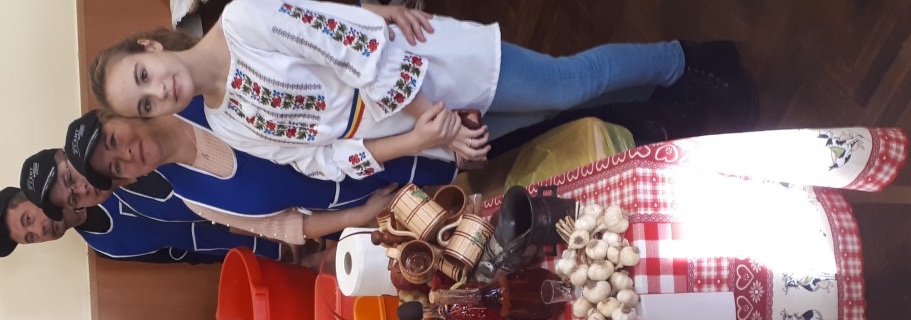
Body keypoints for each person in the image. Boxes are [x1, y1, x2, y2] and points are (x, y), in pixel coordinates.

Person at [90, 0, 751, 180]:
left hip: (427, 73)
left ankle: (689, 62)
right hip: (420, 130)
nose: (160, 92)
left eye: (143, 77)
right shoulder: (226, 122)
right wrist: (420, 140)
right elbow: (319, 162)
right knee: (560, 113)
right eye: (145, 104)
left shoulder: (241, 20)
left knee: (571, 80)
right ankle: (679, 98)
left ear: (150, 47)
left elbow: (352, 47)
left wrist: (436, 118)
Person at [64, 101, 456, 245]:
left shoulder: (198, 96)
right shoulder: (194, 200)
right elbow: (287, 227)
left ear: (119, 114)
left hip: (389, 124)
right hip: (395, 201)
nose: (126, 154)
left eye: (113, 140)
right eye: (115, 167)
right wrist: (359, 215)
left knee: (475, 131)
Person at [0, 185, 274, 262]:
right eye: (30, 237)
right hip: (266, 251)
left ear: (33, 196)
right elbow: (186, 255)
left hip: (265, 203)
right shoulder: (106, 249)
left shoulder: (106, 177)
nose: (40, 230)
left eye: (28, 220)